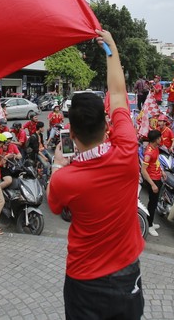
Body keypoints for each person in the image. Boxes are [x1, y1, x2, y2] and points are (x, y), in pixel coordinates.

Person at [47, 29, 145, 319]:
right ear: (106, 125)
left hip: (83, 281)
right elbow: (117, 93)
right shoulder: (127, 150)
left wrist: (56, 164)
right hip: (127, 275)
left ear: (72, 133)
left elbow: (55, 206)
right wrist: (111, 48)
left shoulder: (65, 178)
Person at [140, 129, 164, 237]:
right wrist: (153, 184)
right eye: (159, 138)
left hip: (158, 177)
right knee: (152, 203)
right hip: (153, 180)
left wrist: (162, 171)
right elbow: (143, 170)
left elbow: (156, 162)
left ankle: (151, 222)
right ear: (156, 140)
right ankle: (149, 225)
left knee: (154, 203)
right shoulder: (148, 153)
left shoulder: (156, 148)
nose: (161, 139)